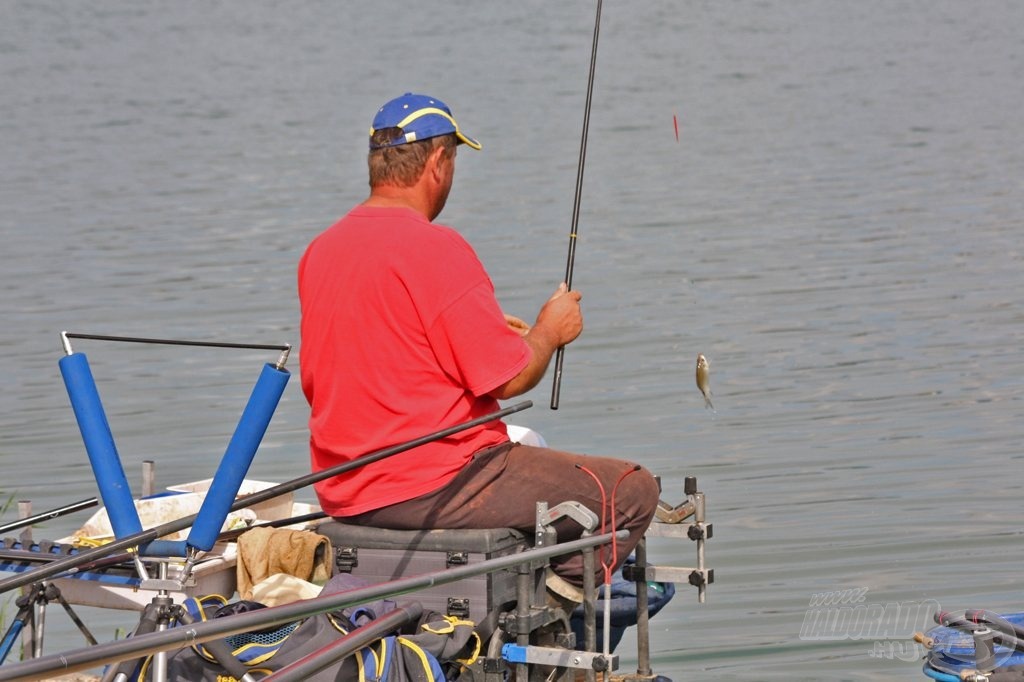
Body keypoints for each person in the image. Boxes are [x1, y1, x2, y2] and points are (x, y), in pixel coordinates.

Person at [298, 92, 660, 601]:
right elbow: (511, 378)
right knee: (630, 491)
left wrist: (484, 328)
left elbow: (380, 353)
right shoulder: (436, 246)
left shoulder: (322, 250)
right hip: (437, 485)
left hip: (347, 489)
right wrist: (548, 331)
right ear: (438, 163)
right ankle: (554, 618)